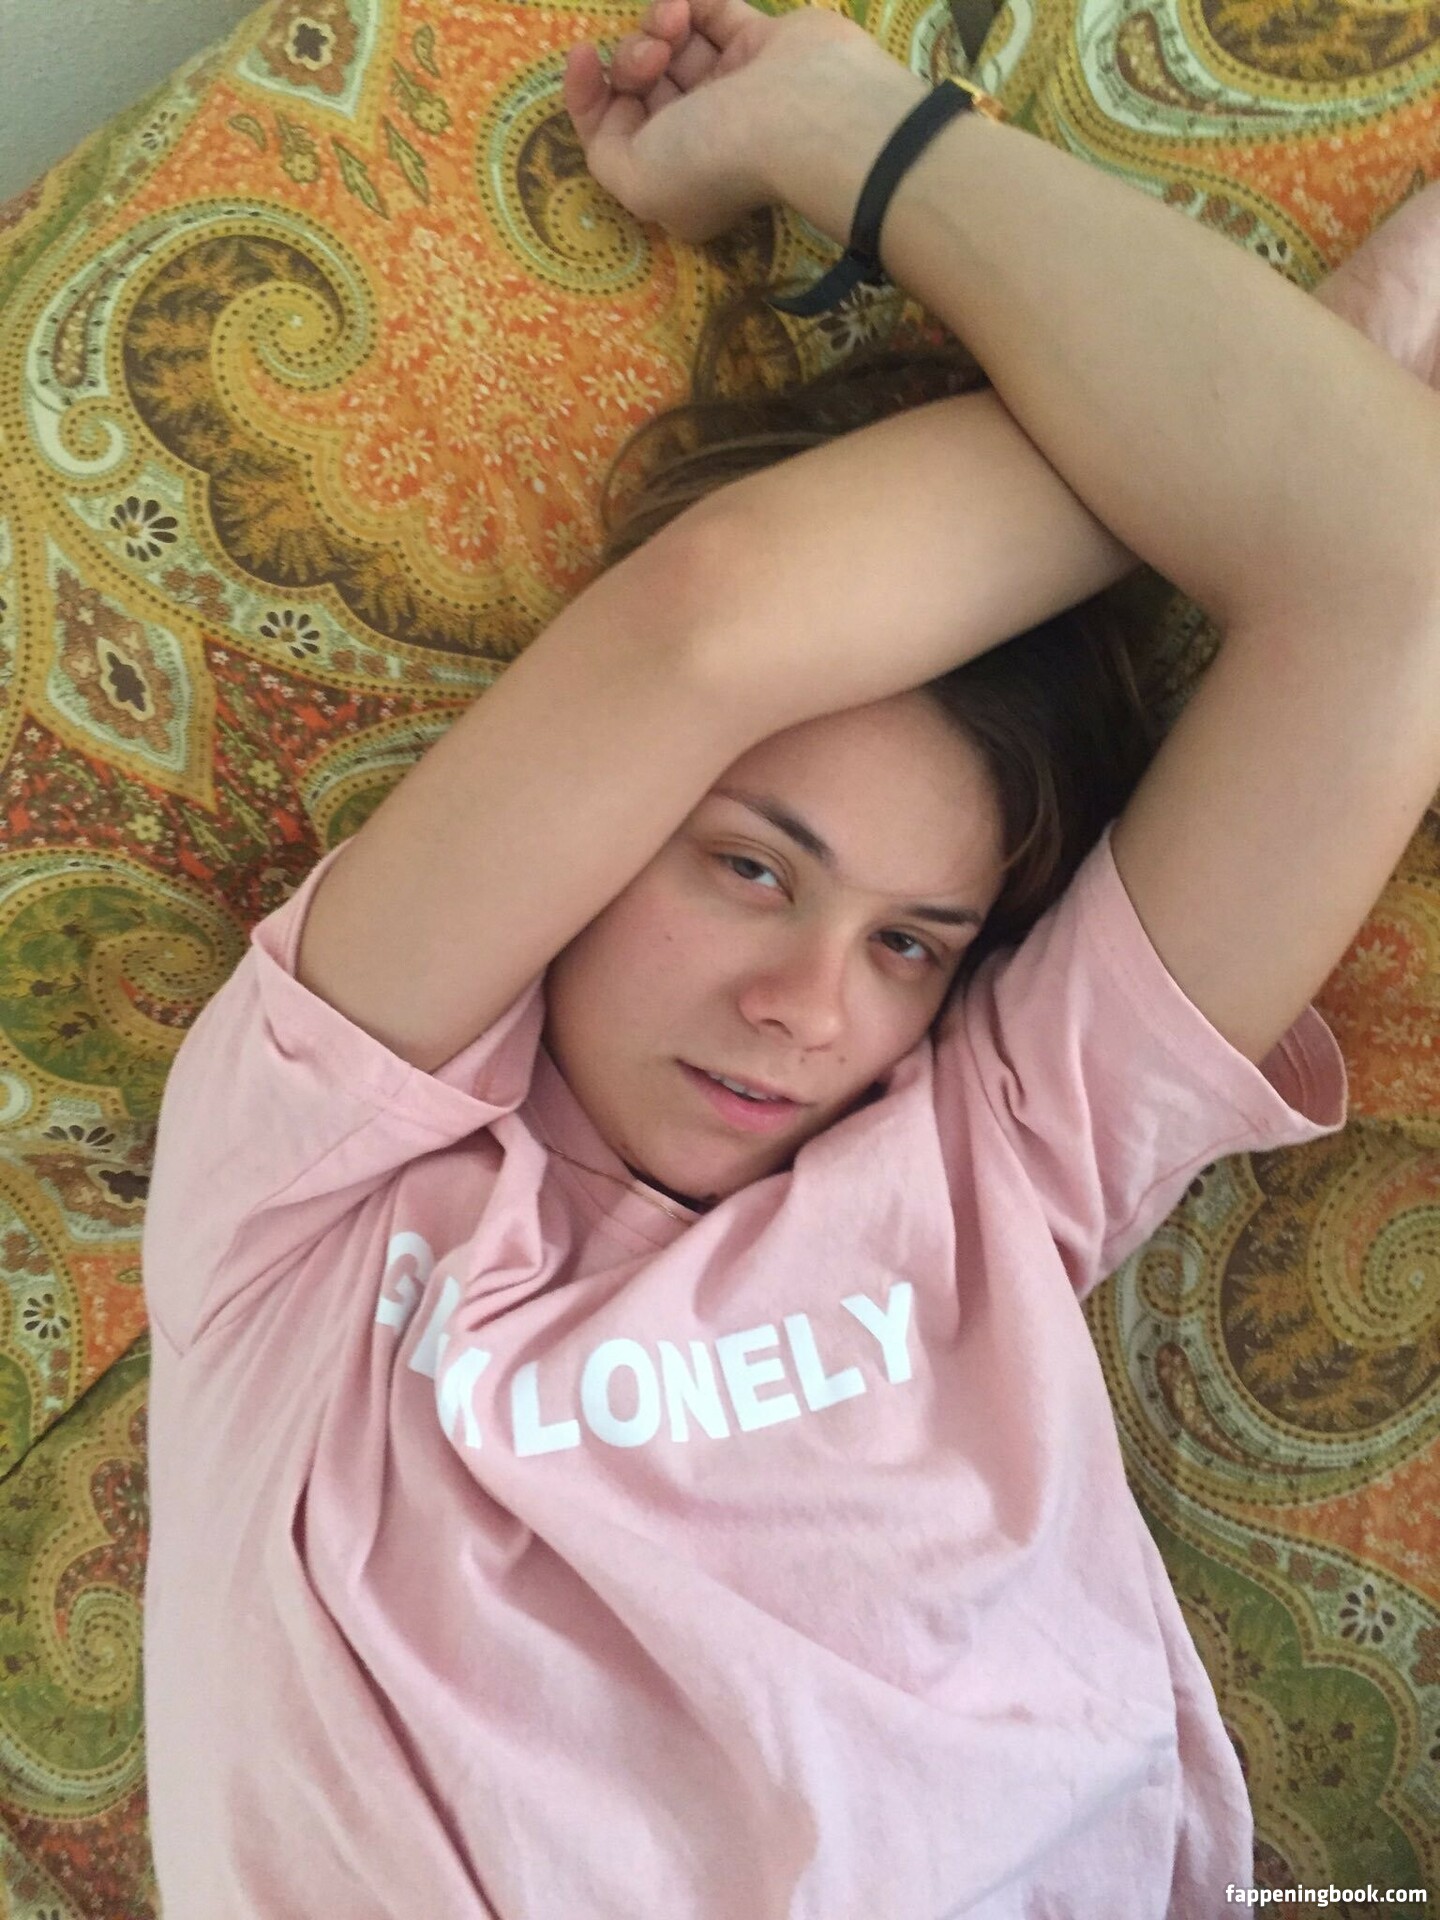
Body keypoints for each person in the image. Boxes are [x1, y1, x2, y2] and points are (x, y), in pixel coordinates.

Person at [138, 1, 1440, 1911]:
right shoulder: (318, 1184)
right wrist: (846, 131)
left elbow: (1397, 582)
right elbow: (715, 614)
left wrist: (1340, 374)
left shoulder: (1000, 1162)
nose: (812, 1010)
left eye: (914, 942)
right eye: (749, 869)